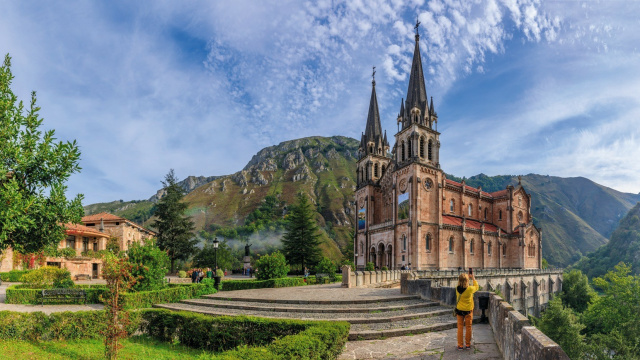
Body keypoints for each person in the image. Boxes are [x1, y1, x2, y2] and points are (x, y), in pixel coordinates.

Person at [455, 273, 479, 350]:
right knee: (468, 327)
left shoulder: (457, 288)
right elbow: (477, 287)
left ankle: (460, 345)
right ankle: (468, 344)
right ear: (467, 281)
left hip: (459, 310)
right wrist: (473, 278)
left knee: (460, 328)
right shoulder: (470, 289)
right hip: (468, 310)